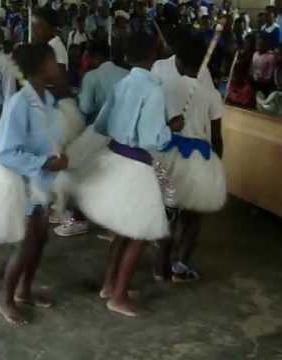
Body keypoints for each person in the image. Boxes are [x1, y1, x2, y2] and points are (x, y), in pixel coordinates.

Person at [70, 32, 183, 316]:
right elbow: (153, 138)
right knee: (140, 233)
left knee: (122, 229)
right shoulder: (153, 90)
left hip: (115, 158)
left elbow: (102, 124)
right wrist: (172, 127)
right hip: (136, 165)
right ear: (152, 54)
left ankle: (110, 284)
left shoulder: (122, 85)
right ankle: (119, 295)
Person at [0, 43, 66, 326]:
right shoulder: (20, 103)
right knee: (27, 243)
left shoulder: (46, 98)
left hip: (42, 183)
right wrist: (47, 163)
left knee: (41, 239)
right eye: (52, 62)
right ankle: (6, 298)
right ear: (39, 67)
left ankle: (24, 291)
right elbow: (5, 152)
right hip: (25, 184)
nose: (57, 67)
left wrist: (56, 158)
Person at [151, 30, 226, 283]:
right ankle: (180, 267)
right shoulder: (211, 94)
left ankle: (160, 268)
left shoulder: (164, 86)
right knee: (193, 216)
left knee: (167, 213)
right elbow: (217, 136)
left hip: (167, 153)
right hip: (199, 157)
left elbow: (153, 118)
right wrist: (217, 165)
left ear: (178, 60)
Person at [77, 41, 128, 123]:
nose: (88, 61)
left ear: (97, 57)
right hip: (124, 125)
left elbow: (85, 108)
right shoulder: (127, 73)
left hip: (101, 127)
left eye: (89, 57)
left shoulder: (91, 76)